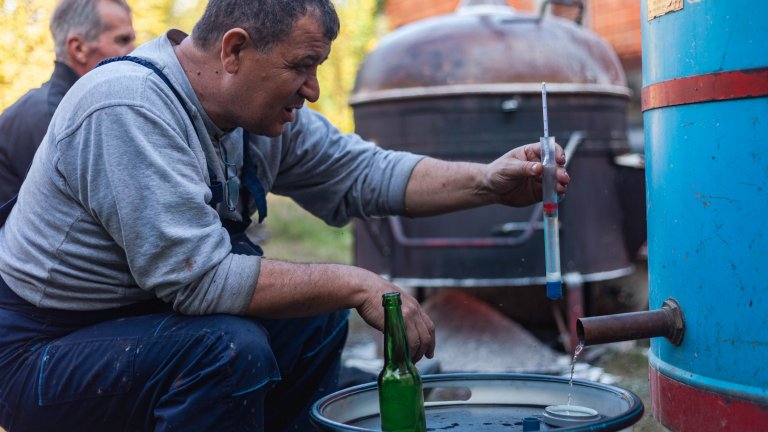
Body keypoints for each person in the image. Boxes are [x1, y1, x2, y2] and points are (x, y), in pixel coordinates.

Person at [0, 0, 569, 430]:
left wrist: (487, 183)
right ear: (234, 50)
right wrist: (356, 283)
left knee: (312, 315)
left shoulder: (256, 117)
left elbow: (362, 173)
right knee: (226, 351)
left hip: (138, 323)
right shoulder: (128, 107)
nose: (315, 89)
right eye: (303, 66)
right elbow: (199, 280)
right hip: (41, 352)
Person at [0, 0, 135, 205]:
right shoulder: (53, 117)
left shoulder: (74, 109)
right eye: (123, 40)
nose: (134, 52)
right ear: (78, 48)